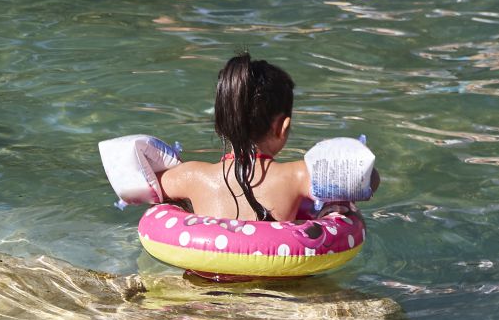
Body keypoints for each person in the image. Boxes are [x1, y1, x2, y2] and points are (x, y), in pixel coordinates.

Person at [155, 54, 376, 223]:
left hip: (203, 279)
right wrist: (337, 204)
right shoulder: (297, 175)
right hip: (277, 282)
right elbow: (367, 179)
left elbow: (149, 183)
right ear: (282, 126)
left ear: (221, 123)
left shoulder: (191, 176)